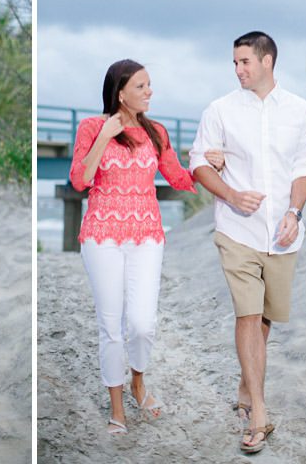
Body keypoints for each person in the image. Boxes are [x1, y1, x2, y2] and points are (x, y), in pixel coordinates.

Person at [68, 59, 223, 435]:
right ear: (120, 92)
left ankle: (138, 381)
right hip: (102, 235)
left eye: (149, 84)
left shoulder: (157, 132)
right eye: (141, 86)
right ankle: (116, 407)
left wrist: (208, 164)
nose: (149, 91)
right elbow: (79, 181)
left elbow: (181, 178)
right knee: (111, 325)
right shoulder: (91, 128)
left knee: (141, 323)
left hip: (147, 235)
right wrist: (106, 135)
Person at [189, 31, 306, 453]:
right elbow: (197, 163)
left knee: (265, 317)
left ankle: (247, 385)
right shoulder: (220, 110)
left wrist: (293, 213)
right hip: (236, 230)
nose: (238, 69)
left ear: (267, 61)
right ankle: (259, 414)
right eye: (234, 63)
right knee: (247, 314)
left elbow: (305, 167)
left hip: (283, 235)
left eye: (244, 61)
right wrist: (230, 194)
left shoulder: (300, 111)